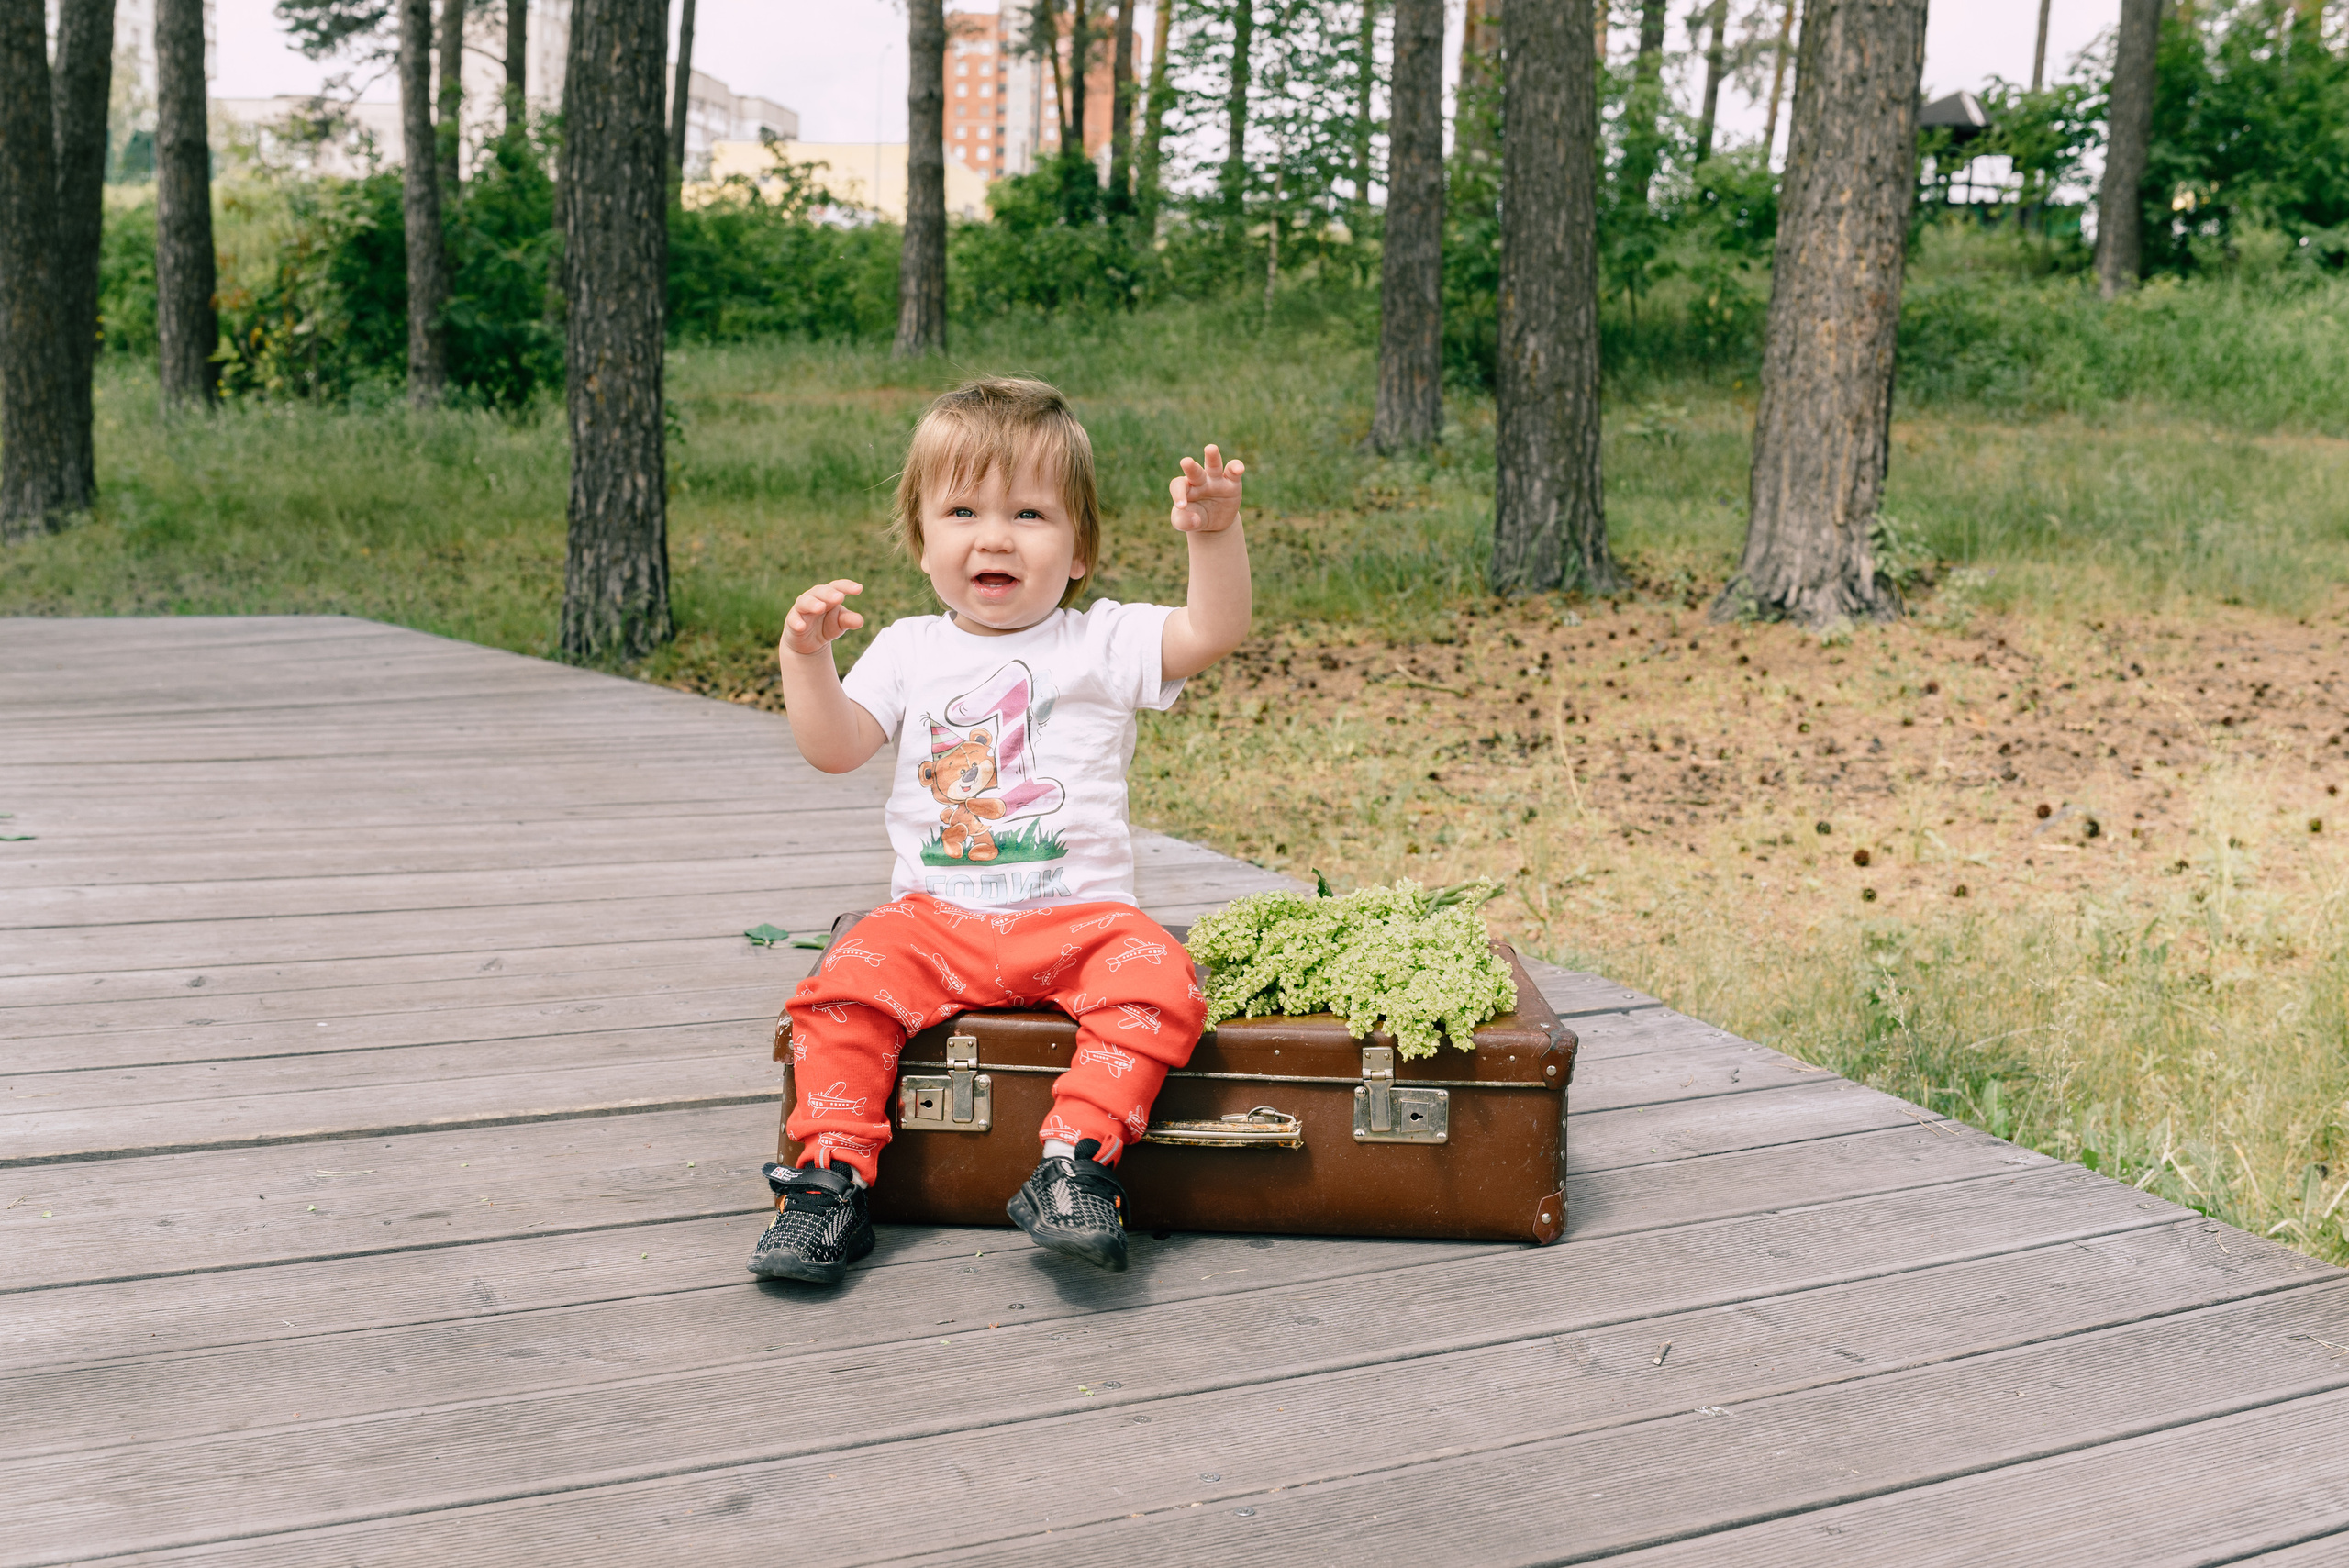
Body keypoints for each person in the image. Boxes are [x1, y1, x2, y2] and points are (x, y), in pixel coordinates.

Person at [749, 377, 1252, 1284]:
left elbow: (1213, 628)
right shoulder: (909, 648)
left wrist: (1212, 537)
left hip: (1079, 923)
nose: (994, 534)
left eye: (1029, 512)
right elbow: (833, 748)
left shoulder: (1099, 641)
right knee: (841, 987)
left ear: (1080, 546)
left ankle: (1074, 1161)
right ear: (922, 536)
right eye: (962, 509)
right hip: (933, 921)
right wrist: (805, 657)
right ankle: (828, 1184)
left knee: (1160, 978)